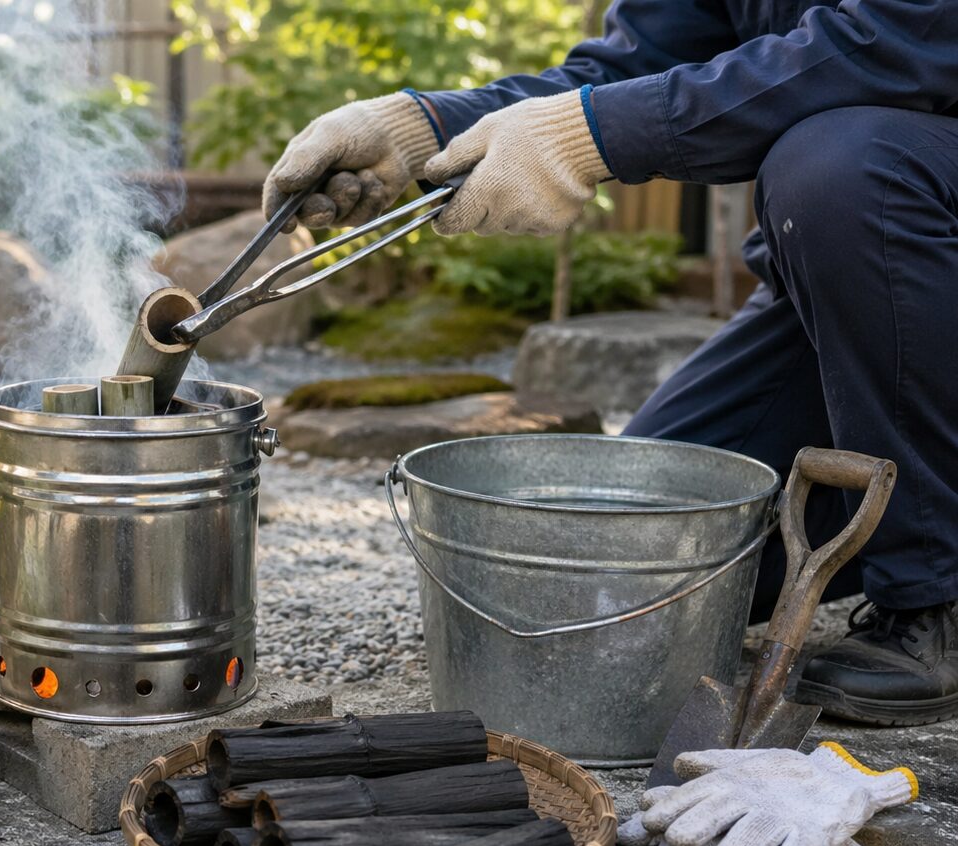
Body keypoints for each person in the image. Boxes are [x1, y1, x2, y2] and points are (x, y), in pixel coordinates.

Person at [263, 0, 958, 726]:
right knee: (637, 565)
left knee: (839, 168)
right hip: (865, 286)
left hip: (895, 210)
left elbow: (894, 43)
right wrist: (419, 128)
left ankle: (932, 596)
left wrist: (591, 138)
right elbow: (632, 67)